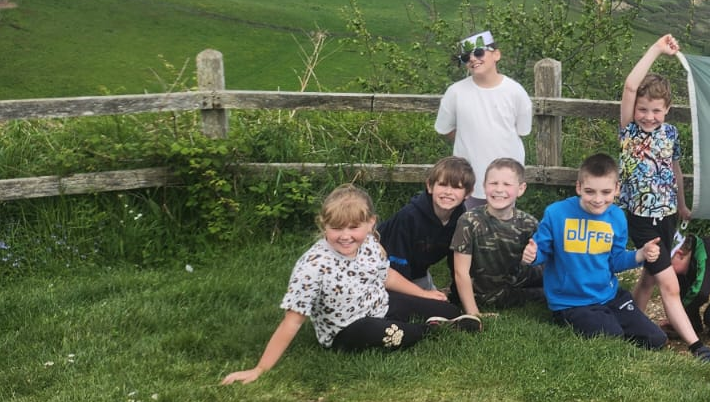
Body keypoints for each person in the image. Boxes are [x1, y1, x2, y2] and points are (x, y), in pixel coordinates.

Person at [222, 184, 469, 385]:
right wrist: (260, 369)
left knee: (448, 309)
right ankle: (433, 330)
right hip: (348, 329)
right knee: (394, 333)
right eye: (336, 228)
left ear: (371, 223)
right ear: (323, 225)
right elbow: (292, 321)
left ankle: (444, 319)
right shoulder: (313, 265)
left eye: (354, 227)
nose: (345, 235)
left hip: (380, 304)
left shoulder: (372, 243)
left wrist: (424, 294)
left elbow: (387, 277)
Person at [617, 34, 710, 362]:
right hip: (641, 219)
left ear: (667, 109)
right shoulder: (629, 131)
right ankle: (695, 346)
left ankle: (632, 328)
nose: (649, 116)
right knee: (669, 283)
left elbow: (675, 170)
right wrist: (657, 50)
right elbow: (631, 86)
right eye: (643, 109)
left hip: (669, 215)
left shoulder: (671, 134)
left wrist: (683, 202)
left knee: (648, 278)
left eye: (656, 110)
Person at [531, 153, 666, 348]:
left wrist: (641, 254)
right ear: (578, 187)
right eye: (590, 191)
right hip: (572, 301)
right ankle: (579, 319)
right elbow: (541, 250)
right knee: (613, 338)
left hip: (607, 295)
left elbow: (616, 261)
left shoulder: (617, 217)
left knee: (655, 340)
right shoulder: (555, 213)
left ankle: (610, 316)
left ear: (616, 189)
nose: (598, 199)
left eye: (605, 192)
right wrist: (532, 255)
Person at [434, 29, 532, 204]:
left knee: (503, 225)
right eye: (466, 57)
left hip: (506, 180)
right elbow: (444, 129)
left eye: (479, 52)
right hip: (467, 179)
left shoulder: (515, 91)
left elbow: (522, 130)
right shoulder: (455, 92)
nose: (472, 58)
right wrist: (469, 138)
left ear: (496, 55)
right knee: (468, 225)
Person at [448, 157, 544, 321]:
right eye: (493, 183)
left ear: (521, 189)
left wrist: (534, 255)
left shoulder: (529, 223)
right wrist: (473, 313)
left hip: (518, 280)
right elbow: (460, 271)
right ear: (484, 187)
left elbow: (543, 258)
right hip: (484, 293)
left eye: (507, 184)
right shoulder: (469, 221)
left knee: (554, 278)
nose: (499, 189)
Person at [378, 156, 474, 291]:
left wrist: (456, 295)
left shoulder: (461, 220)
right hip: (385, 273)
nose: (448, 192)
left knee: (446, 308)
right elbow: (397, 261)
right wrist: (415, 294)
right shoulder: (409, 216)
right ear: (430, 186)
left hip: (418, 274)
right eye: (442, 184)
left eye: (456, 187)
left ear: (468, 193)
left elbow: (456, 263)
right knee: (422, 306)